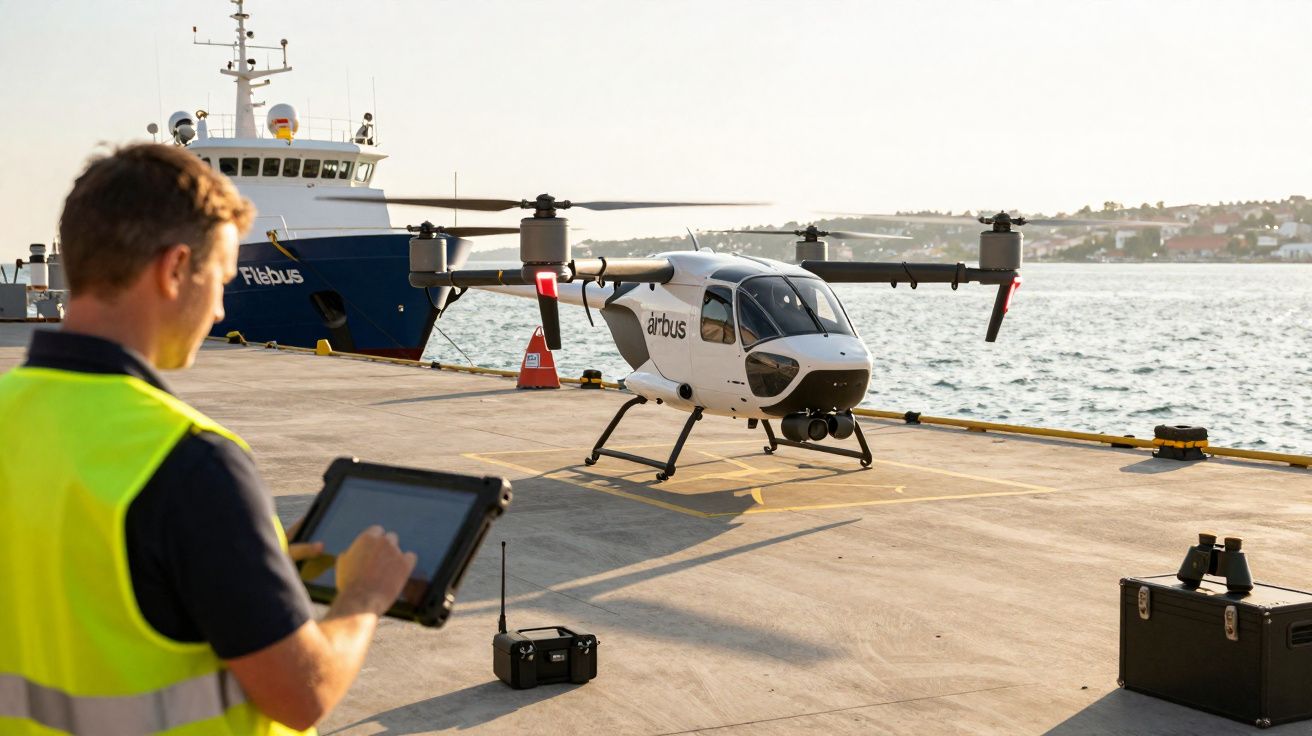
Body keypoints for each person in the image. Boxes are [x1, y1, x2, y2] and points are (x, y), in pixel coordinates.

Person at [0, 144, 417, 735]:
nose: (221, 310)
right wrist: (364, 598)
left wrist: (252, 552)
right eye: (220, 278)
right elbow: (305, 693)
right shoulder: (188, 462)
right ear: (173, 271)